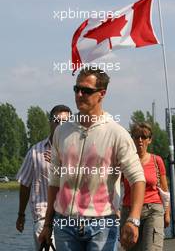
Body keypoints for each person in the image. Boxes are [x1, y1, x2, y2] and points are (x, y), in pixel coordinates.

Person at [39, 67, 146, 251]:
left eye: (87, 91)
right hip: (64, 224)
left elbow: (137, 178)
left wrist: (133, 219)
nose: (79, 94)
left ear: (101, 94)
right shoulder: (62, 131)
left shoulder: (116, 133)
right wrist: (47, 223)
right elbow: (55, 182)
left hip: (102, 224)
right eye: (76, 89)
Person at [16, 105, 72, 251]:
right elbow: (25, 184)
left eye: (65, 122)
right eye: (56, 121)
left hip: (70, 218)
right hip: (42, 216)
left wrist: (59, 163)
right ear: (50, 122)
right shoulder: (36, 152)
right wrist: (21, 215)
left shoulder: (76, 153)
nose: (60, 125)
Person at [120, 122, 170, 251]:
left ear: (150, 140)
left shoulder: (156, 160)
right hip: (129, 212)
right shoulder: (125, 161)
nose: (140, 140)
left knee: (152, 248)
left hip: (153, 210)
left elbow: (165, 190)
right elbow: (115, 187)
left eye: (144, 137)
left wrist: (167, 214)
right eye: (137, 137)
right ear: (132, 139)